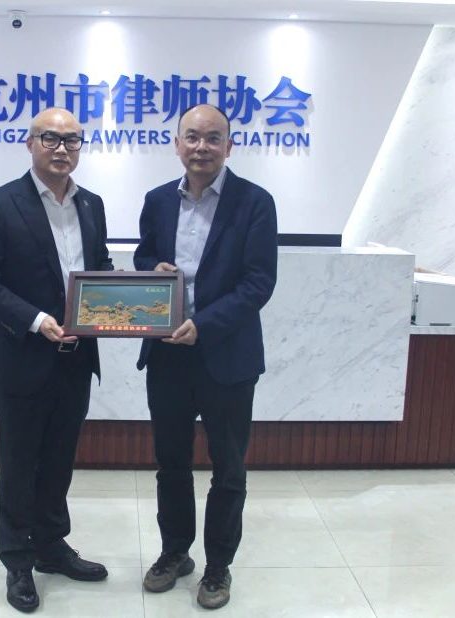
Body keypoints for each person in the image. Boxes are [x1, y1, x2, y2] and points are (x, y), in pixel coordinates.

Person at [0, 107, 113, 613]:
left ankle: (51, 546)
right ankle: (17, 561)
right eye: (50, 138)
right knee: (20, 464)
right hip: (21, 356)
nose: (62, 149)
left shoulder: (91, 205)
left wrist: (132, 296)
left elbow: (98, 269)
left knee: (59, 460)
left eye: (72, 140)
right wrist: (35, 319)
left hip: (76, 358)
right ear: (30, 144)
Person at [134, 103, 278, 610]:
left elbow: (259, 282)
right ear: (177, 144)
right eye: (192, 137)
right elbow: (143, 255)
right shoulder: (157, 200)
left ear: (229, 146)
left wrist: (205, 325)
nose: (201, 147)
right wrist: (152, 267)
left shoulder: (255, 203)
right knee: (170, 463)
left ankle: (218, 565)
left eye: (213, 138)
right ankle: (175, 552)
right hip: (167, 356)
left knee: (228, 468)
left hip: (227, 356)